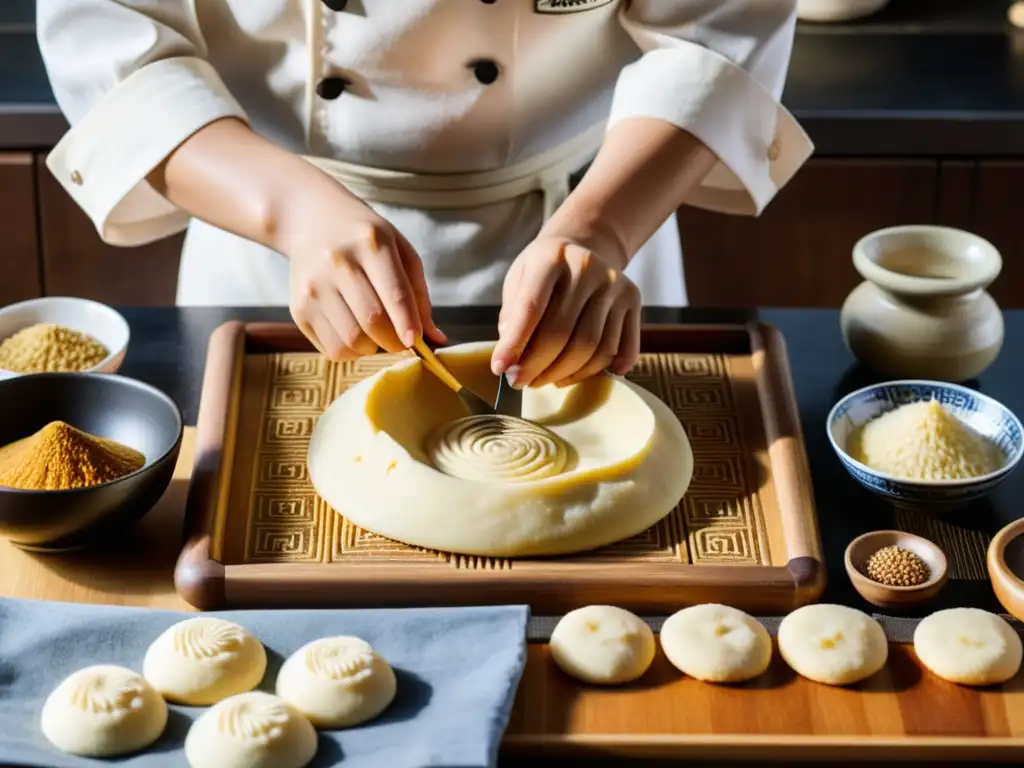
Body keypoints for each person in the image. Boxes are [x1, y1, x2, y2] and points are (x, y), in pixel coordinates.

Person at [37, 0, 811, 389]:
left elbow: (718, 28)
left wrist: (601, 229)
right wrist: (293, 211)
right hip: (265, 240)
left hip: (587, 221)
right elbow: (113, 36)